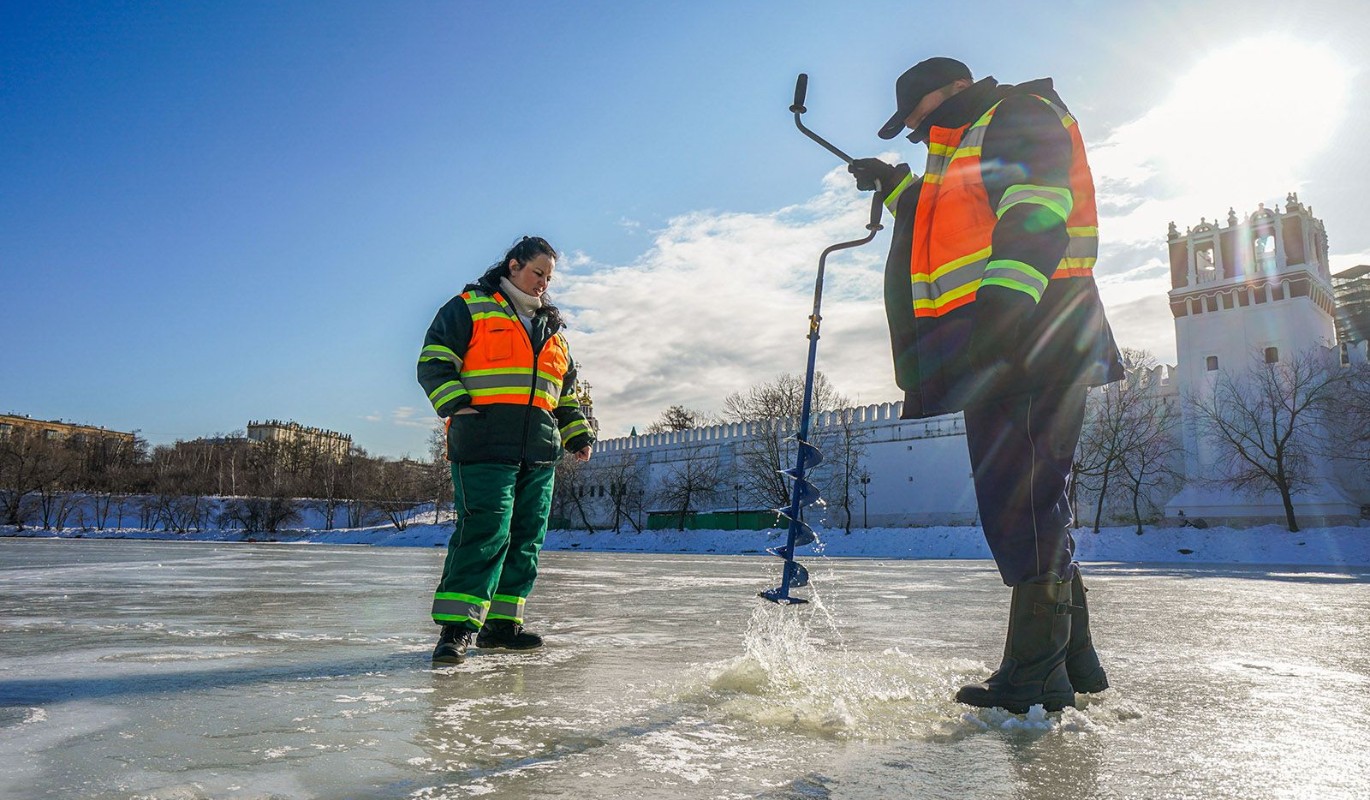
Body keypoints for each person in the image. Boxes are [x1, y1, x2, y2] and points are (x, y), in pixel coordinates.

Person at [848, 57, 1124, 713]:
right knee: (1031, 496)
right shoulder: (959, 152)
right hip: (1013, 340)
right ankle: (1072, 662)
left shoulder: (1016, 114)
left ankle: (1034, 674)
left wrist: (1004, 310)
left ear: (946, 94)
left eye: (915, 119)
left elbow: (1036, 206)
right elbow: (945, 217)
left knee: (1022, 499)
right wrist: (892, 186)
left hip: (1029, 334)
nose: (916, 133)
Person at [417, 235, 594, 664]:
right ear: (513, 266)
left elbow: (564, 394)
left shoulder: (553, 330)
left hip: (537, 451)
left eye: (548, 277)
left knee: (526, 539)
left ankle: (501, 626)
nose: (542, 283)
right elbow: (433, 361)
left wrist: (576, 434)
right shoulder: (469, 307)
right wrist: (457, 406)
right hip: (483, 444)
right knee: (485, 533)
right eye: (537, 273)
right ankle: (457, 629)